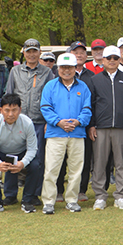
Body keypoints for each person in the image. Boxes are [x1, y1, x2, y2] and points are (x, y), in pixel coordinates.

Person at [4, 38, 55, 208]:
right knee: (12, 157)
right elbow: (9, 95)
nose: (32, 54)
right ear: (23, 53)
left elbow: (51, 98)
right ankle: (10, 194)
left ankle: (32, 194)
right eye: (28, 51)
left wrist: (49, 120)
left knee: (37, 160)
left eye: (35, 51)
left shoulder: (47, 73)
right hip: (16, 122)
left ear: (39, 53)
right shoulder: (15, 71)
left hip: (38, 121)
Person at [40, 53, 92, 215]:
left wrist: (78, 122)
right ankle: (48, 201)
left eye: (70, 67)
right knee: (51, 169)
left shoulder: (83, 87)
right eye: (63, 67)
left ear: (75, 68)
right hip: (56, 133)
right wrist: (58, 122)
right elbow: (45, 108)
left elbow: (87, 109)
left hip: (77, 133)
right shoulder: (50, 86)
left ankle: (72, 200)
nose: (66, 71)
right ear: (58, 69)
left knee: (76, 170)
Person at [88, 45, 123, 210]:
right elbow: (91, 104)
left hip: (121, 127)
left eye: (116, 58)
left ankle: (120, 196)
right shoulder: (95, 80)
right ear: (103, 60)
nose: (113, 61)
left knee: (121, 163)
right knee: (100, 163)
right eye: (109, 58)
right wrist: (92, 125)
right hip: (101, 127)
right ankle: (100, 196)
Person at [0, 93, 39, 214]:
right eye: (7, 110)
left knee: (36, 166)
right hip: (1, 152)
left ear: (20, 110)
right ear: (1, 110)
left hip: (21, 151)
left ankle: (27, 201)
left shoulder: (27, 123)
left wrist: (22, 163)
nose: (11, 114)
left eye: (14, 110)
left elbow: (32, 149)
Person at [59, 40, 95, 203]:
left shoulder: (91, 76)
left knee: (84, 159)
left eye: (82, 52)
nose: (79, 54)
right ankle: (59, 190)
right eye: (76, 51)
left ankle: (81, 190)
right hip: (60, 126)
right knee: (60, 160)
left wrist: (89, 123)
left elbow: (92, 103)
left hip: (83, 125)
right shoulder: (58, 75)